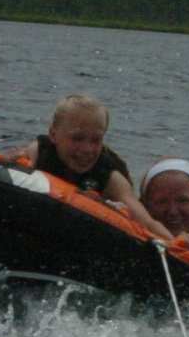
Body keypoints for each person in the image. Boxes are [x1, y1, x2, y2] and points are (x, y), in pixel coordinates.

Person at [12, 94, 174, 241]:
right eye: (77, 138)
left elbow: (148, 223)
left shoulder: (110, 178)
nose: (87, 149)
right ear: (53, 135)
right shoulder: (40, 153)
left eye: (96, 140)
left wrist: (176, 245)